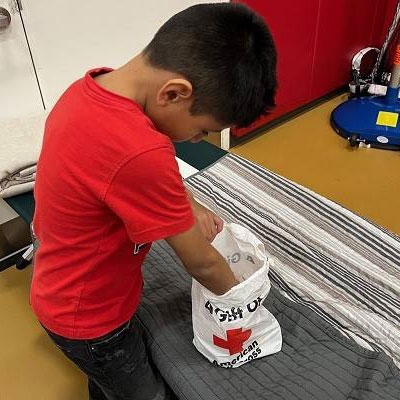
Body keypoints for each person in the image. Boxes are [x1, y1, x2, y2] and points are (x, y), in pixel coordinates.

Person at [30, 2, 277, 399]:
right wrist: (245, 299)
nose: (196, 141)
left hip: (57, 289)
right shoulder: (140, 152)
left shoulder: (90, 87)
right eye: (201, 131)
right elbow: (201, 261)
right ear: (175, 93)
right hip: (93, 321)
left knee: (107, 383)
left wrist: (190, 205)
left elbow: (130, 173)